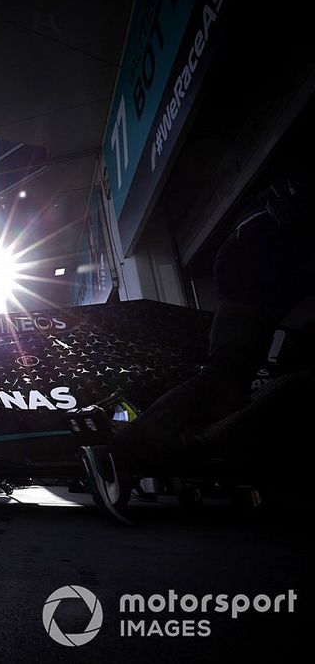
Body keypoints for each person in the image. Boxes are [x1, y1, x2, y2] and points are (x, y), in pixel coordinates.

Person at [80, 171, 314, 524]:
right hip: (264, 249)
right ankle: (122, 454)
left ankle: (124, 454)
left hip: (254, 255)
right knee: (230, 373)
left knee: (229, 380)